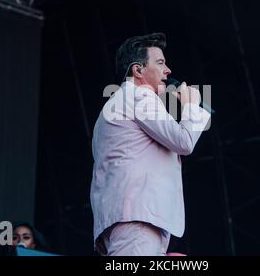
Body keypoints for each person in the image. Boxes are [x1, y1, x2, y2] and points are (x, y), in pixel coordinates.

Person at [90, 32, 211, 256]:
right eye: (160, 62)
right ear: (138, 70)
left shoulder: (119, 103)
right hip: (137, 220)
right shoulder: (138, 96)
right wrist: (191, 106)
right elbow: (183, 141)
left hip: (134, 220)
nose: (168, 70)